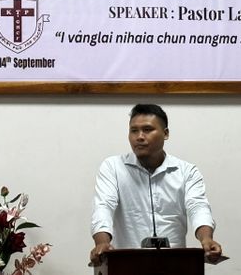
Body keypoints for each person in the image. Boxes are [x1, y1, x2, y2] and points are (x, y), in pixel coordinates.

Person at [89, 104, 222, 266]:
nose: (139, 136)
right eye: (134, 130)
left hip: (174, 265)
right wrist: (102, 242)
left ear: (166, 133)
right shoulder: (113, 167)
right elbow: (103, 206)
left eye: (147, 130)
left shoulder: (186, 171)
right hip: (127, 265)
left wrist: (206, 239)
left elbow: (198, 207)